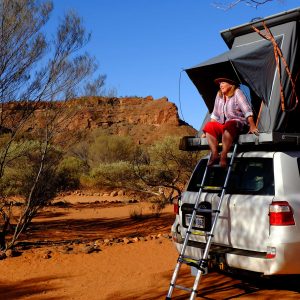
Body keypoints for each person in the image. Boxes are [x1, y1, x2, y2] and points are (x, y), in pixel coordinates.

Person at [202, 77, 259, 168]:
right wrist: (208, 131)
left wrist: (252, 125)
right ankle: (215, 154)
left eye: (223, 83)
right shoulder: (219, 95)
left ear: (231, 84)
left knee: (230, 124)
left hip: (237, 123)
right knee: (209, 126)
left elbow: (246, 109)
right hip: (223, 125)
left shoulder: (237, 93)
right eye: (220, 83)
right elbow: (215, 114)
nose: (221, 85)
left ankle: (224, 155)